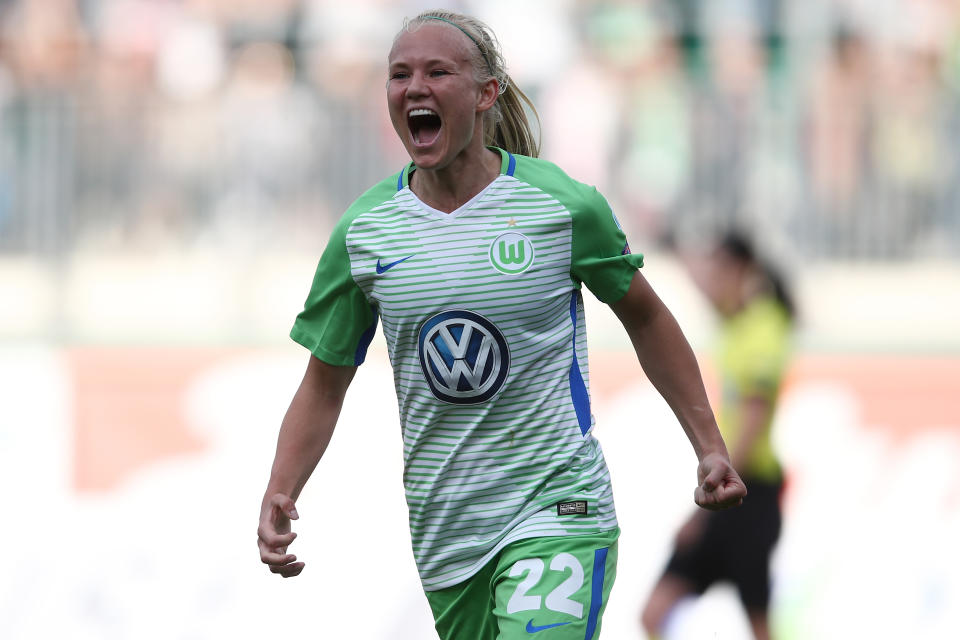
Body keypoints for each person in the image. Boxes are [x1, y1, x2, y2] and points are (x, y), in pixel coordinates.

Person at [257, 10, 746, 640]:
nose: (414, 88)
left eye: (438, 71)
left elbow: (647, 317)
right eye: (399, 75)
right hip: (448, 530)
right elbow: (325, 382)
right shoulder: (365, 231)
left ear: (487, 93)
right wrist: (281, 488)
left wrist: (708, 445)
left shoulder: (561, 206)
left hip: (559, 505)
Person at [640, 232, 795, 640]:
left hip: (746, 490)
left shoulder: (763, 328)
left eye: (716, 271)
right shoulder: (736, 322)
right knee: (653, 614)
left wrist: (699, 514)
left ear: (741, 271)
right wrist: (675, 246)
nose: (707, 282)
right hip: (728, 484)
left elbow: (752, 423)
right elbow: (705, 288)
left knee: (758, 624)